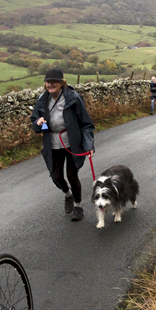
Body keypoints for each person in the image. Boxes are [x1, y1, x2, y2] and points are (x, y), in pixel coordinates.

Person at [31, 68, 96, 222]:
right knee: (56, 176)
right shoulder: (42, 100)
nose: (50, 84)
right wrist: (38, 123)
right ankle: (68, 195)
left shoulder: (73, 98)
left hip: (72, 143)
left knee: (72, 176)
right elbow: (35, 122)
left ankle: (78, 206)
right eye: (48, 81)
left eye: (54, 81)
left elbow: (86, 124)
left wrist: (89, 145)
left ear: (61, 83)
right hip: (52, 144)